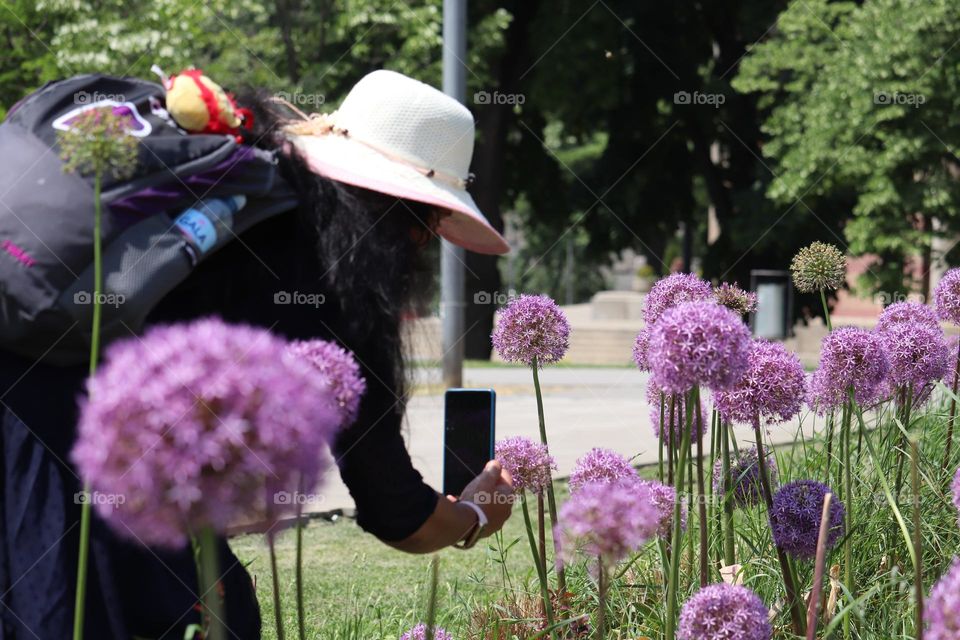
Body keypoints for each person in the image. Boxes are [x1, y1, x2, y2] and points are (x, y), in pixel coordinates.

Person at [0, 70, 514, 638]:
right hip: (75, 448)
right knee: (212, 617)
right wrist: (473, 516)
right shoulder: (334, 270)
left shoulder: (237, 177)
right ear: (413, 221)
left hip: (29, 380)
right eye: (431, 226)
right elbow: (398, 512)